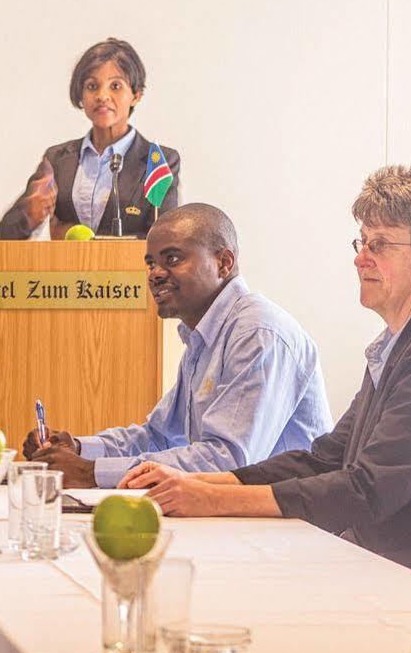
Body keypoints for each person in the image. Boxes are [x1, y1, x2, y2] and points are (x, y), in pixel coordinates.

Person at [125, 162, 411, 585]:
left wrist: (211, 498)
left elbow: (364, 492)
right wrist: (204, 483)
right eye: (363, 241)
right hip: (383, 564)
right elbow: (326, 458)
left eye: (380, 245)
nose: (360, 258)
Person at [22, 203, 331, 487]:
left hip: (286, 533)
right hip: (240, 521)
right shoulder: (202, 337)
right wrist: (78, 448)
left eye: (172, 259)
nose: (155, 274)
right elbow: (157, 436)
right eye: (150, 263)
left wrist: (90, 473)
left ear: (223, 263)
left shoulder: (258, 333)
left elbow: (227, 462)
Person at [0, 37, 182, 240]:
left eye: (116, 86)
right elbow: (6, 234)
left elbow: (165, 240)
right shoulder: (57, 159)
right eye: (92, 86)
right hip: (66, 272)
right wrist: (29, 215)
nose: (102, 95)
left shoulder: (158, 160)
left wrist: (73, 235)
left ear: (136, 95)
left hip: (129, 272)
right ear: (81, 95)